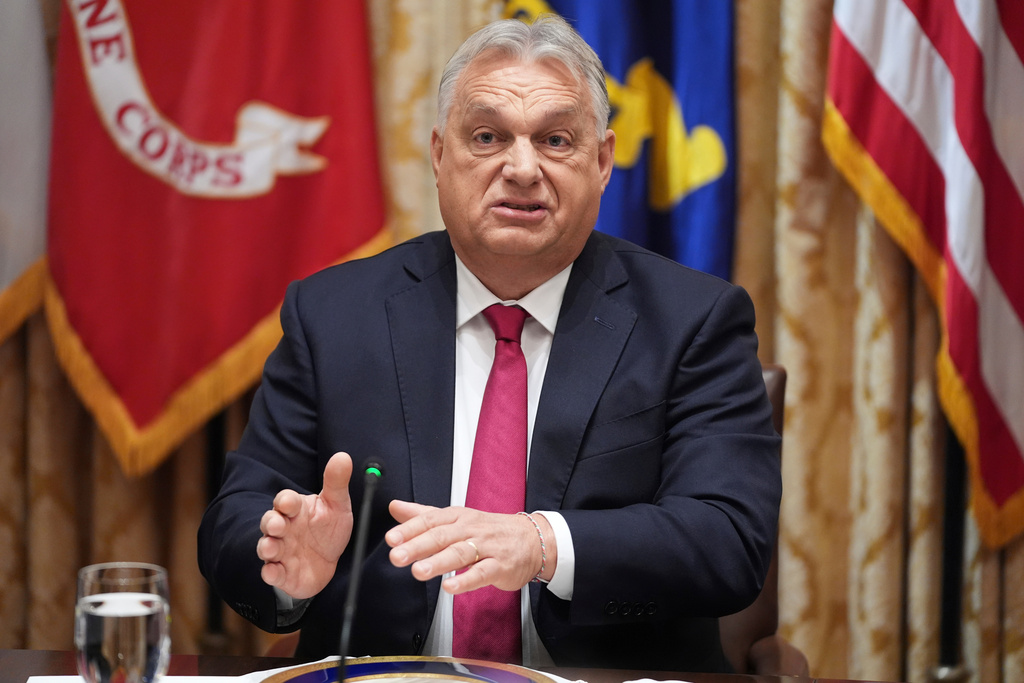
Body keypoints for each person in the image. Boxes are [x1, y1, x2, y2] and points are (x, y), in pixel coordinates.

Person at [198, 14, 781, 673]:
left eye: (556, 139)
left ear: (603, 159)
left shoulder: (693, 321)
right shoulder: (333, 314)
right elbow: (235, 521)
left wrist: (541, 543)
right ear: (441, 154)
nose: (523, 168)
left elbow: (729, 541)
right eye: (488, 137)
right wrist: (285, 564)